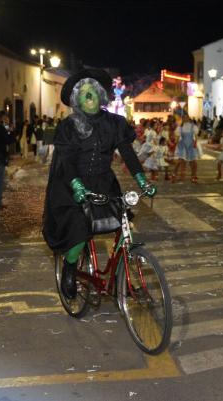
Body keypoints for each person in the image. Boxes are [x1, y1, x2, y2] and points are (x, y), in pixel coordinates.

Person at [43, 68, 156, 299]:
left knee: (123, 226)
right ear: (77, 99)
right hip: (71, 183)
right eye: (84, 94)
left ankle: (119, 275)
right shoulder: (68, 126)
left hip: (104, 182)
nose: (89, 97)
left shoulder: (115, 123)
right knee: (79, 229)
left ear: (101, 95)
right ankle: (70, 268)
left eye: (93, 92)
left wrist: (142, 180)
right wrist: (77, 186)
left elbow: (127, 153)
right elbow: (66, 160)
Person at [172, 114, 200, 183]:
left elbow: (196, 136)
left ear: (188, 118)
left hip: (191, 144)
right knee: (180, 160)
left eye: (186, 117)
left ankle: (193, 175)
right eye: (184, 118)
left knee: (193, 161)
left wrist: (195, 143)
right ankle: (175, 174)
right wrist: (176, 143)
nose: (185, 119)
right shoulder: (180, 127)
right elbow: (177, 137)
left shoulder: (193, 126)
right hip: (183, 145)